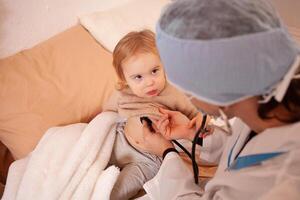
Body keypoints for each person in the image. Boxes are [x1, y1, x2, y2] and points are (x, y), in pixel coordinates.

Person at [137, 0, 300, 199]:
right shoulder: (260, 98)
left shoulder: (284, 182)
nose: (186, 94)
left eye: (187, 87)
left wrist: (167, 153)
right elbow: (246, 151)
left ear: (218, 90)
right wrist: (193, 134)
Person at [103, 30, 200, 200]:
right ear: (124, 78)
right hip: (122, 140)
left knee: (113, 193)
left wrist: (201, 123)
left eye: (155, 71)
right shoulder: (123, 93)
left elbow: (196, 116)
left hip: (149, 159)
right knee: (91, 164)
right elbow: (107, 114)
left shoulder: (174, 94)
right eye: (138, 77)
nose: (149, 82)